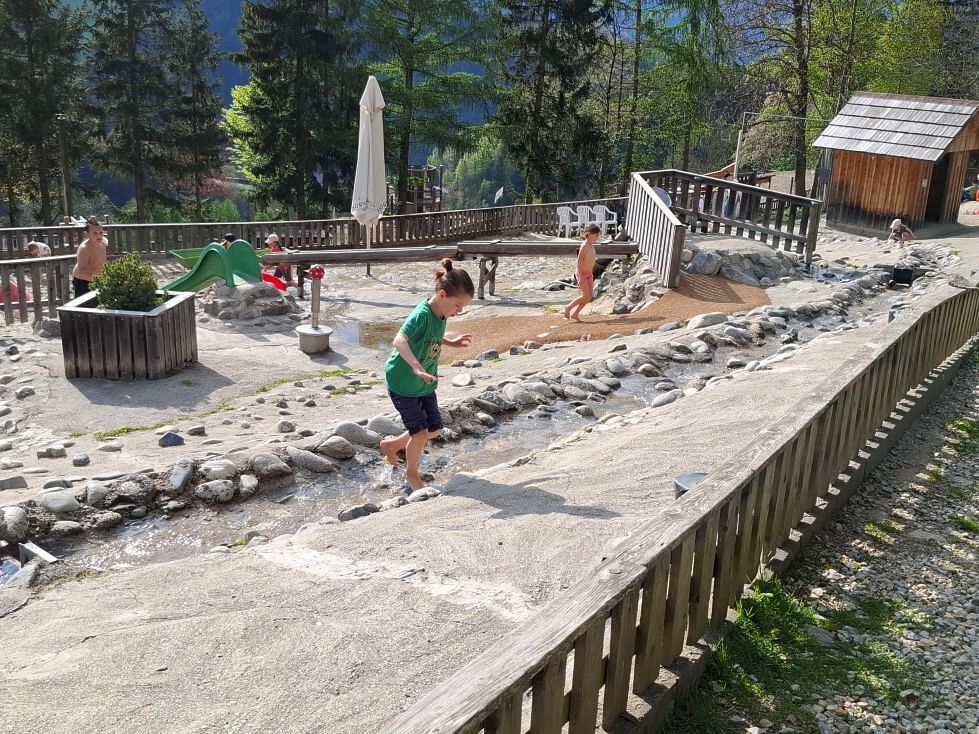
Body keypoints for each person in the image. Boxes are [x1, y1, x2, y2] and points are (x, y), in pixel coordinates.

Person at [379, 259, 475, 493]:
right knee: (420, 433)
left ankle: (392, 445)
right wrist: (415, 366)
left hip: (424, 382)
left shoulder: (441, 313)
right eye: (458, 305)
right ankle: (412, 475)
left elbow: (432, 336)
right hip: (403, 382)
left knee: (434, 428)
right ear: (442, 295)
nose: (460, 311)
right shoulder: (421, 314)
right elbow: (399, 340)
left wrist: (450, 341)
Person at [563, 223, 601, 322]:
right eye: (596, 235)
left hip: (589, 273)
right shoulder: (584, 246)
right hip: (582, 274)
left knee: (589, 297)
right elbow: (579, 262)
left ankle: (575, 314)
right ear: (590, 234)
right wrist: (581, 277)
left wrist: (590, 274)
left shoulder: (591, 245)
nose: (598, 237)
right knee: (585, 296)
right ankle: (568, 307)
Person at [72, 218, 108, 299]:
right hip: (83, 281)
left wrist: (103, 276)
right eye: (95, 233)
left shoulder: (103, 244)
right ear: (86, 234)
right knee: (83, 305)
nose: (99, 235)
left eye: (101, 232)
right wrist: (100, 278)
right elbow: (82, 270)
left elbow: (102, 263)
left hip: (97, 279)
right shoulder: (84, 248)